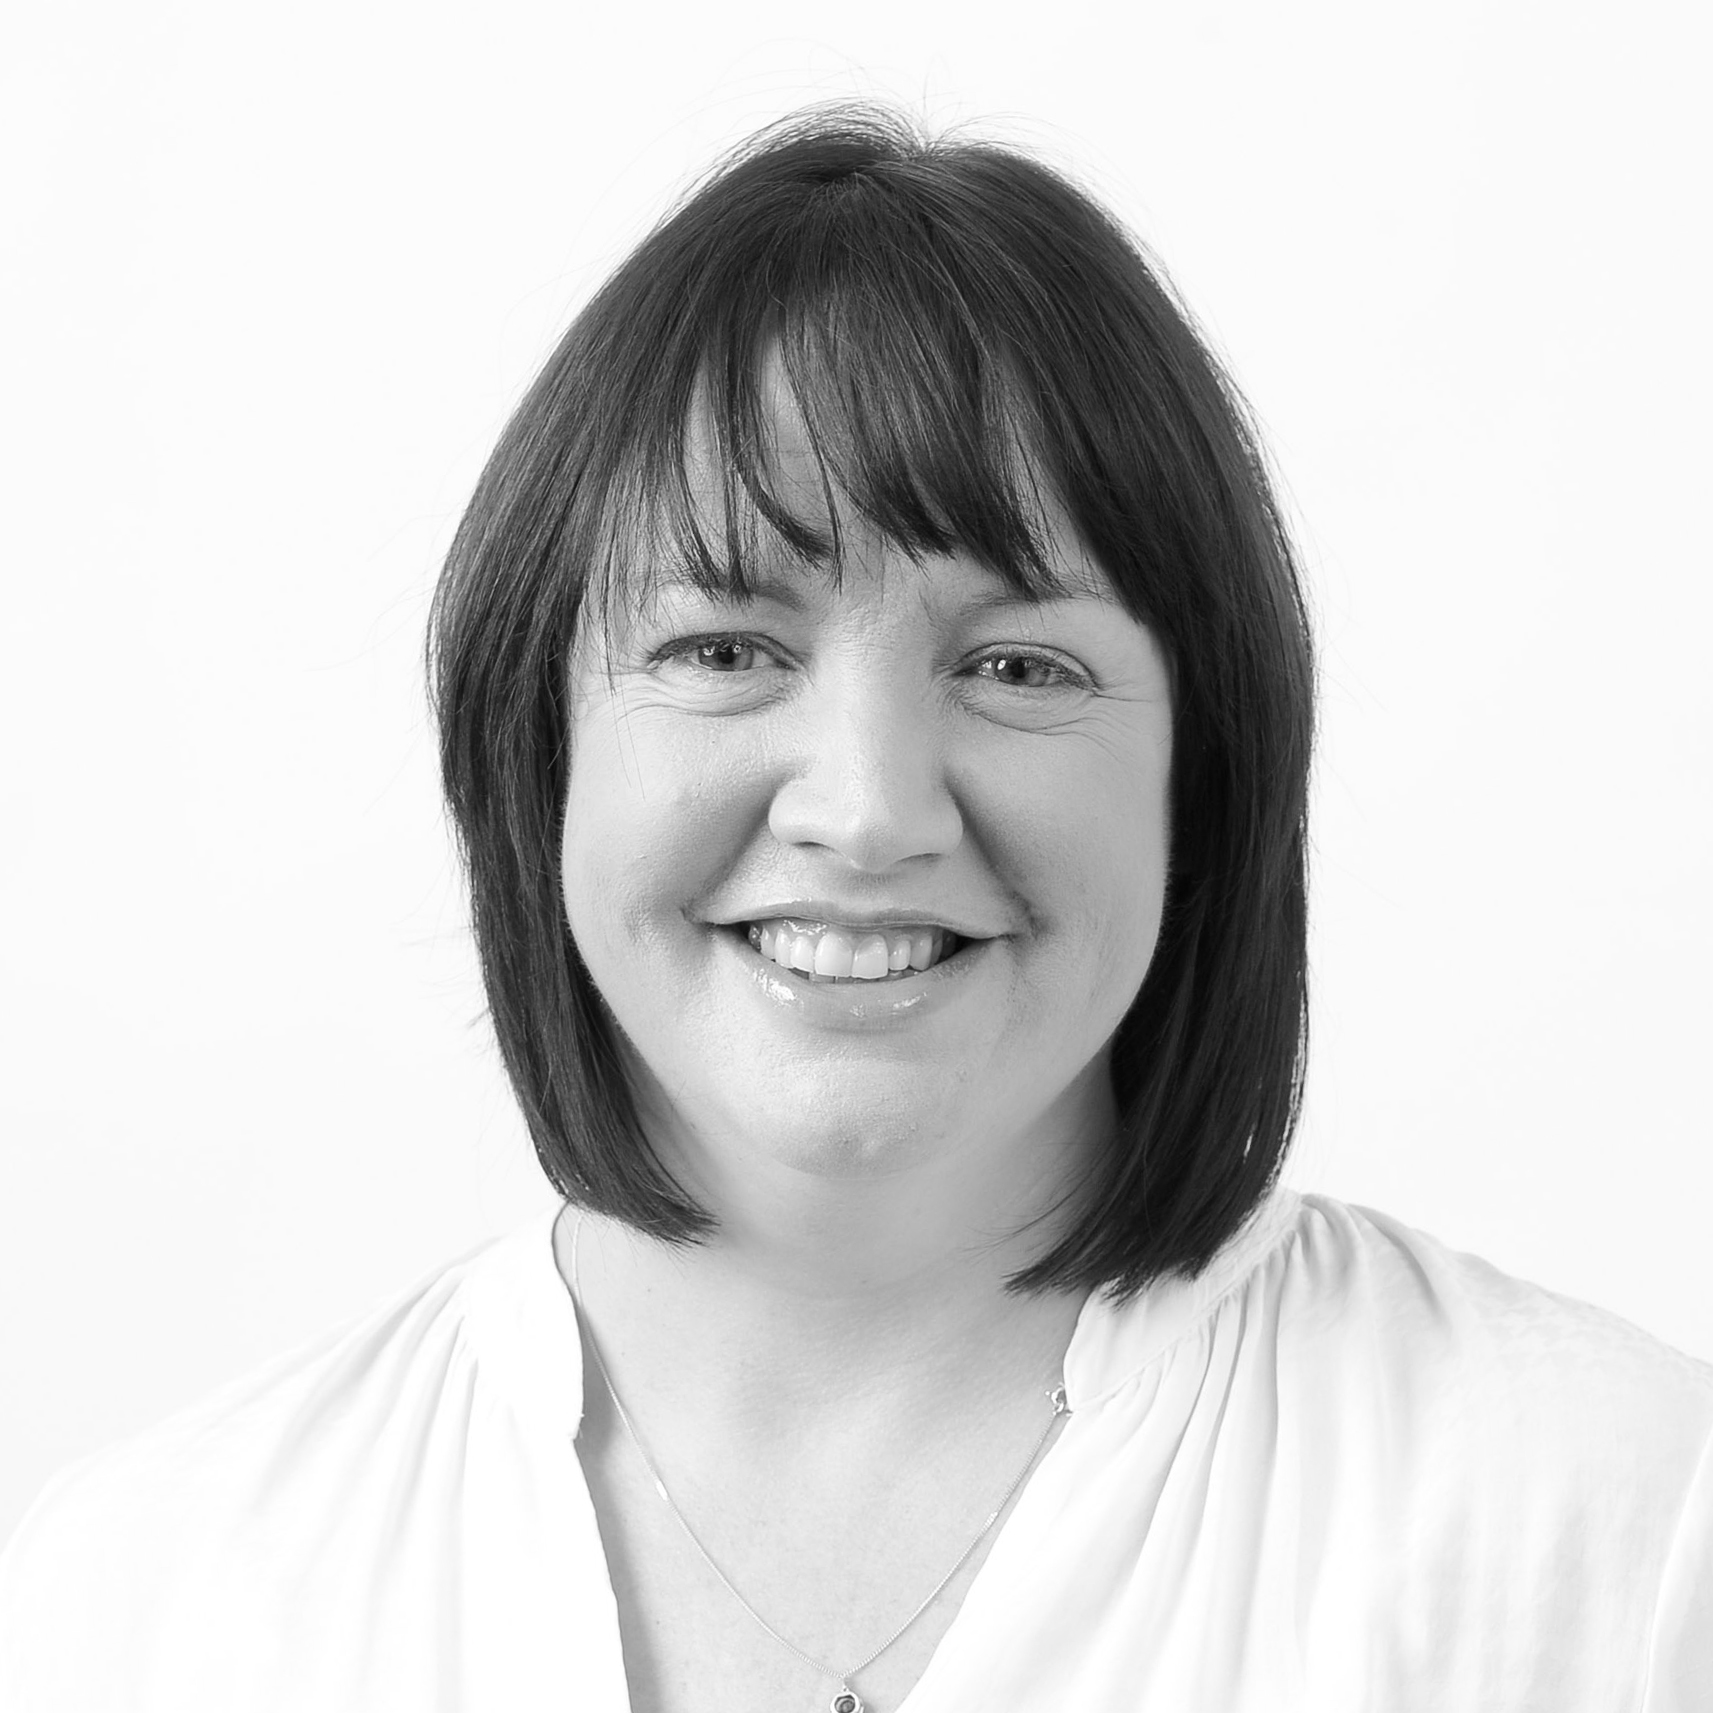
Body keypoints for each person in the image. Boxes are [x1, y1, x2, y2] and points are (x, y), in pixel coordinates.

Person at [2, 105, 1709, 1713]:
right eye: (725, 648)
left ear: (1210, 779)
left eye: (1019, 663)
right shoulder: (149, 1601)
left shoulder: (1608, 1533)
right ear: (539, 751)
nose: (873, 810)